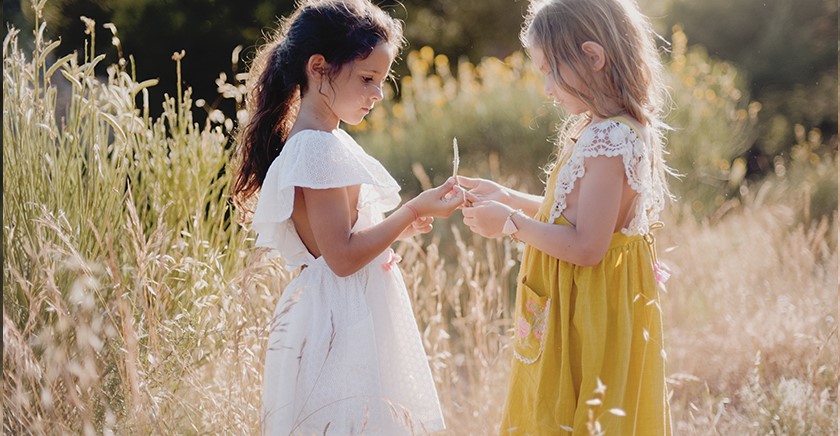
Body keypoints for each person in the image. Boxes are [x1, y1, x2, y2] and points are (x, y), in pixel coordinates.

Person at [231, 1, 462, 433]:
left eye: (382, 80)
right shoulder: (317, 147)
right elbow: (339, 257)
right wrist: (413, 207)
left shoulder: (323, 141)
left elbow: (337, 241)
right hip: (340, 320)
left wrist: (402, 228)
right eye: (367, 79)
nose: (377, 94)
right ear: (318, 68)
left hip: (345, 309)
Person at [460, 0, 673, 433]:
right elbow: (571, 213)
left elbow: (587, 246)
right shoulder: (614, 127)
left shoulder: (609, 138)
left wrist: (508, 224)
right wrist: (506, 197)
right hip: (583, 302)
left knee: (570, 414)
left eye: (549, 71)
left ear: (593, 57)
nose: (547, 89)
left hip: (585, 310)